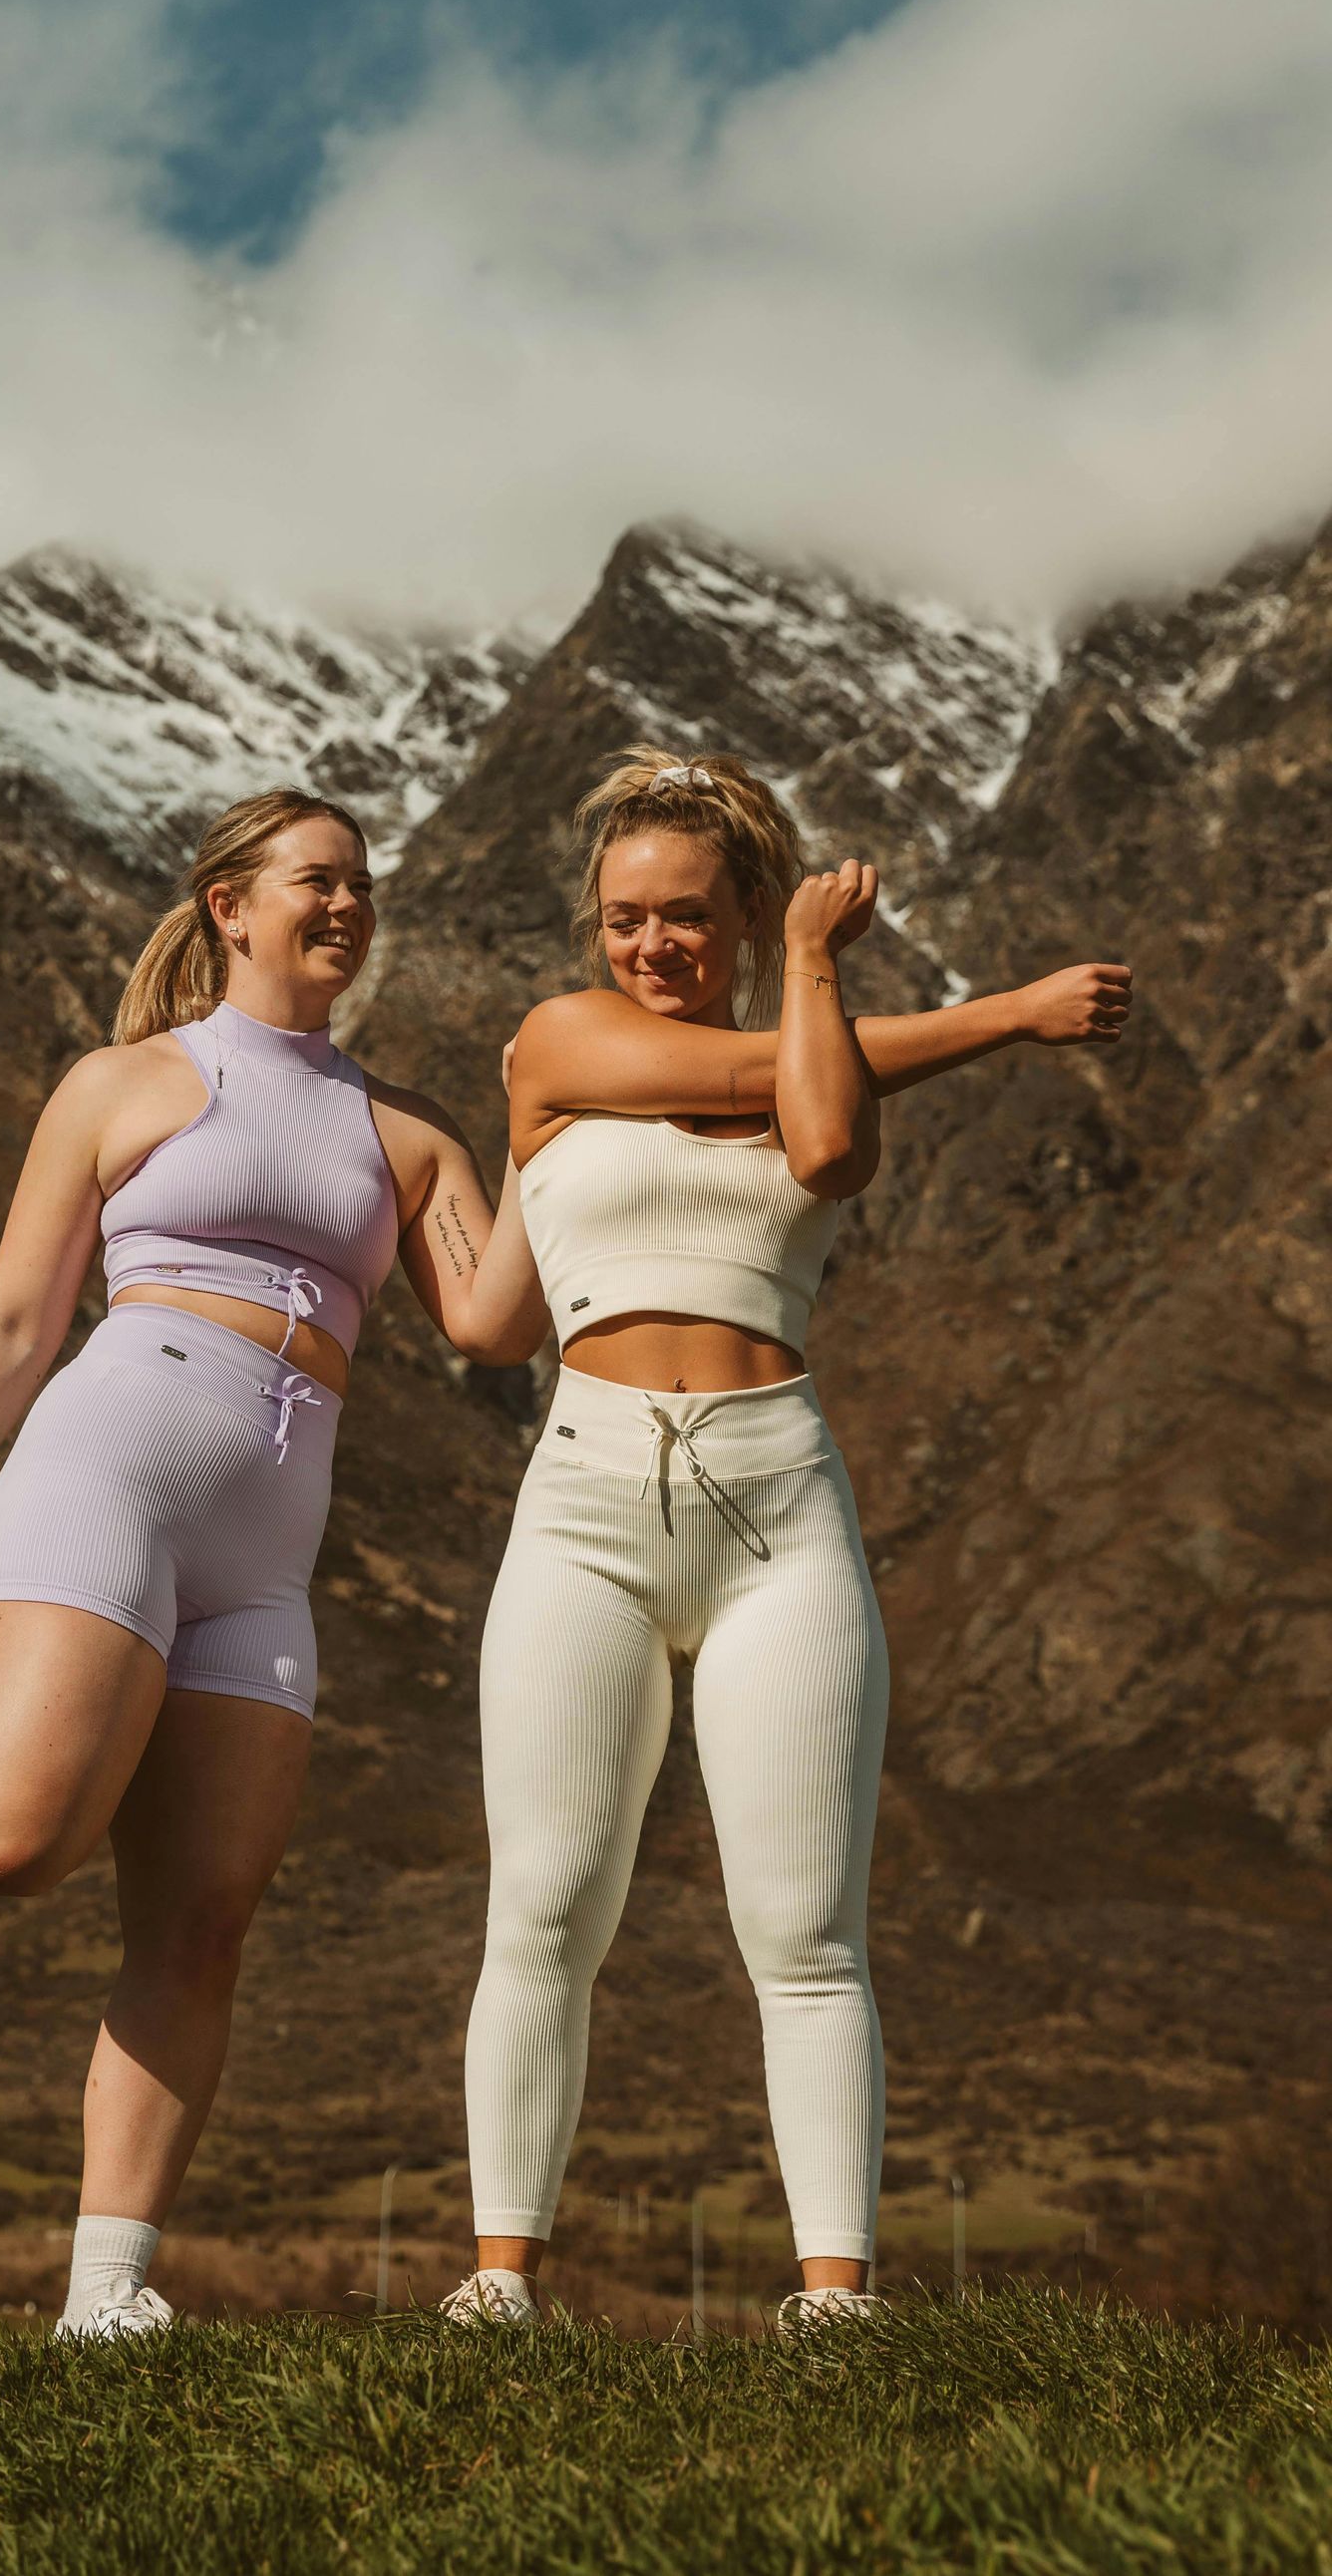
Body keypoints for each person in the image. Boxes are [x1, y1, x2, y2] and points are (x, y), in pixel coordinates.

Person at [440, 749, 1133, 2334]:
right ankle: (498, 2287)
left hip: (777, 1503)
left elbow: (820, 1138)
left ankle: (836, 2301)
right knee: (545, 1900)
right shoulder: (556, 1040)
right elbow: (746, 1089)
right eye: (623, 918)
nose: (650, 947)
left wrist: (820, 975)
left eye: (686, 917)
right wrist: (1007, 1015)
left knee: (804, 1926)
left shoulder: (808, 1036)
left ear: (752, 911)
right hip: (584, 1498)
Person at [0, 787, 544, 2339]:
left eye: (363, 883)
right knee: (1, 1843)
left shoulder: (412, 1139)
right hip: (112, 1464)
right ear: (231, 907)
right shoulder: (128, 1082)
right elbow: (19, 1318)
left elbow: (500, 1324)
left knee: (202, 1922)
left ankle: (105, 2297)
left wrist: (547, 1126)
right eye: (317, 879)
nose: (347, 902)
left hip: (268, 1546)